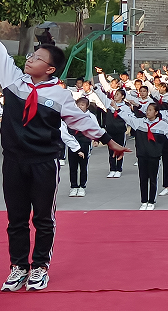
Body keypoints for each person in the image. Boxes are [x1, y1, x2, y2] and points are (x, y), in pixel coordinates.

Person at [1, 43, 131, 292]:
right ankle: (18, 266)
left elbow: (81, 120)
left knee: (43, 217)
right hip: (14, 161)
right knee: (16, 219)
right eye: (31, 55)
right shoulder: (13, 81)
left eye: (37, 58)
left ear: (50, 69)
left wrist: (108, 140)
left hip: (44, 163)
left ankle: (40, 267)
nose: (29, 60)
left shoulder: (59, 96)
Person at [114, 101, 168, 210]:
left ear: (156, 112)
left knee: (153, 178)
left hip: (154, 156)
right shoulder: (139, 122)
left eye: (150, 110)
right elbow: (126, 117)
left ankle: (151, 201)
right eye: (147, 110)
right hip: (142, 155)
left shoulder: (162, 125)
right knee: (143, 178)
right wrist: (117, 108)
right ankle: (144, 201)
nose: (147, 112)